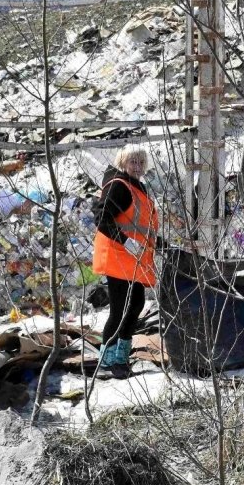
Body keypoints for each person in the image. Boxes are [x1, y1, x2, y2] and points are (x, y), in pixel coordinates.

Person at [92, 145, 160, 379]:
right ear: (123, 162)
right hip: (118, 256)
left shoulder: (137, 188)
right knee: (121, 309)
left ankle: (121, 356)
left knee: (135, 306)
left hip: (133, 259)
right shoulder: (119, 187)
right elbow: (102, 218)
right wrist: (126, 242)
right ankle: (108, 359)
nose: (137, 167)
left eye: (141, 162)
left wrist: (162, 245)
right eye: (132, 162)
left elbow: (142, 227)